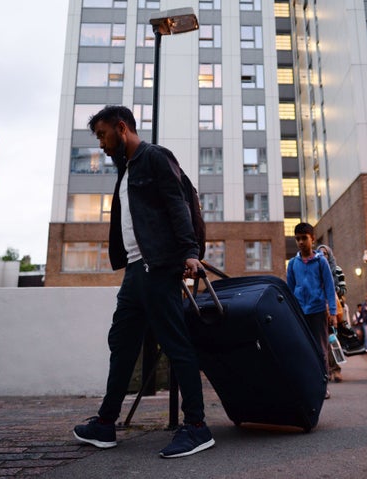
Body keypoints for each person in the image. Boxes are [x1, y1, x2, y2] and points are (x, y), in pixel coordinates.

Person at [72, 106, 214, 458]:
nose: (102, 145)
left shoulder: (154, 158)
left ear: (122, 128)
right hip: (136, 271)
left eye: (104, 135)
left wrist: (190, 252)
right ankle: (106, 424)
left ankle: (196, 426)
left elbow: (177, 204)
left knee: (175, 343)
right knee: (122, 344)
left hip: (160, 266)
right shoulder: (127, 169)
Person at [287, 223, 338, 398]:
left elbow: (330, 288)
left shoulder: (321, 262)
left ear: (312, 239)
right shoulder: (293, 264)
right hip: (300, 312)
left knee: (320, 349)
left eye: (304, 238)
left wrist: (332, 312)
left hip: (317, 311)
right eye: (298, 239)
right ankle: (306, 384)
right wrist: (291, 312)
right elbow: (290, 289)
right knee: (302, 349)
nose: (301, 242)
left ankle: (323, 386)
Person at [317, 244, 345, 382]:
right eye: (320, 253)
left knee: (334, 340)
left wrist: (333, 290)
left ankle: (336, 369)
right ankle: (327, 370)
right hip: (321, 308)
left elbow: (344, 290)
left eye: (325, 253)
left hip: (335, 308)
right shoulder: (316, 269)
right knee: (325, 341)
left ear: (330, 255)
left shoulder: (337, 270)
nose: (323, 255)